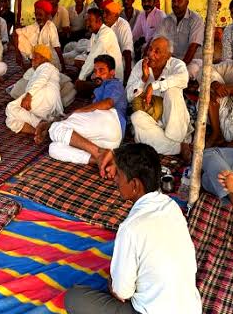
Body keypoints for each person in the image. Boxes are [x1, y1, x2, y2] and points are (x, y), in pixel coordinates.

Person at [65, 144, 202, 314]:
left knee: (74, 298)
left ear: (135, 184)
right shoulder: (172, 206)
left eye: (119, 175)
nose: (115, 179)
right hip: (191, 308)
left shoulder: (130, 229)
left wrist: (113, 282)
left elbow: (122, 293)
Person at [37, 55, 126, 170]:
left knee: (56, 128)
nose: (97, 74)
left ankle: (98, 153)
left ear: (112, 72)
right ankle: (100, 159)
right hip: (111, 142)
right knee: (54, 148)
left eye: (101, 70)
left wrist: (78, 111)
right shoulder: (99, 87)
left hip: (111, 120)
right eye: (95, 71)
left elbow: (108, 103)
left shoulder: (114, 84)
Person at [127, 37, 192, 160]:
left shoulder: (176, 64)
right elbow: (129, 97)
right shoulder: (140, 65)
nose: (151, 54)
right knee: (136, 117)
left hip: (173, 121)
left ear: (168, 56)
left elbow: (183, 79)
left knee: (172, 90)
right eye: (150, 49)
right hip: (152, 121)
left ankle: (174, 140)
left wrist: (154, 85)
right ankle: (179, 147)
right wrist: (144, 79)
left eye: (157, 51)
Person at [5, 45, 63, 136]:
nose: (32, 59)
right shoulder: (39, 69)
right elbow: (28, 76)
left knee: (11, 108)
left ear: (44, 58)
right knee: (10, 120)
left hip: (43, 98)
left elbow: (41, 79)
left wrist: (29, 95)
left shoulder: (47, 66)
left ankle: (39, 123)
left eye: (35, 57)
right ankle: (39, 131)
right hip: (44, 107)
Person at [154, 0, 204, 79]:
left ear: (187, 2)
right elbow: (157, 40)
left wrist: (179, 68)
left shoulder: (196, 20)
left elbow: (193, 47)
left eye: (179, 1)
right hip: (172, 60)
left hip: (192, 61)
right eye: (173, 1)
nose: (175, 4)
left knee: (189, 72)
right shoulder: (167, 20)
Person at [13, 0, 65, 71]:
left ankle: (35, 66)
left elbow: (57, 47)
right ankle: (33, 63)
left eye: (40, 15)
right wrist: (17, 54)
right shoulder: (35, 25)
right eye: (36, 14)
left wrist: (63, 65)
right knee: (20, 37)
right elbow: (15, 33)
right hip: (37, 58)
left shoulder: (51, 26)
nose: (38, 17)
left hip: (49, 60)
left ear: (47, 15)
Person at [77, 8, 123, 86]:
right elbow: (90, 54)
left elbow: (93, 56)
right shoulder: (95, 33)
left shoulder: (106, 34)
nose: (87, 24)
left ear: (99, 20)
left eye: (90, 21)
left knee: (81, 85)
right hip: (102, 71)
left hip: (112, 78)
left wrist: (81, 78)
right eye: (86, 21)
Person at [102, 0, 134, 82]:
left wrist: (127, 74)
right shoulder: (103, 24)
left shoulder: (123, 25)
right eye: (103, 12)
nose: (104, 15)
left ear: (116, 16)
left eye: (107, 13)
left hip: (121, 60)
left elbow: (127, 51)